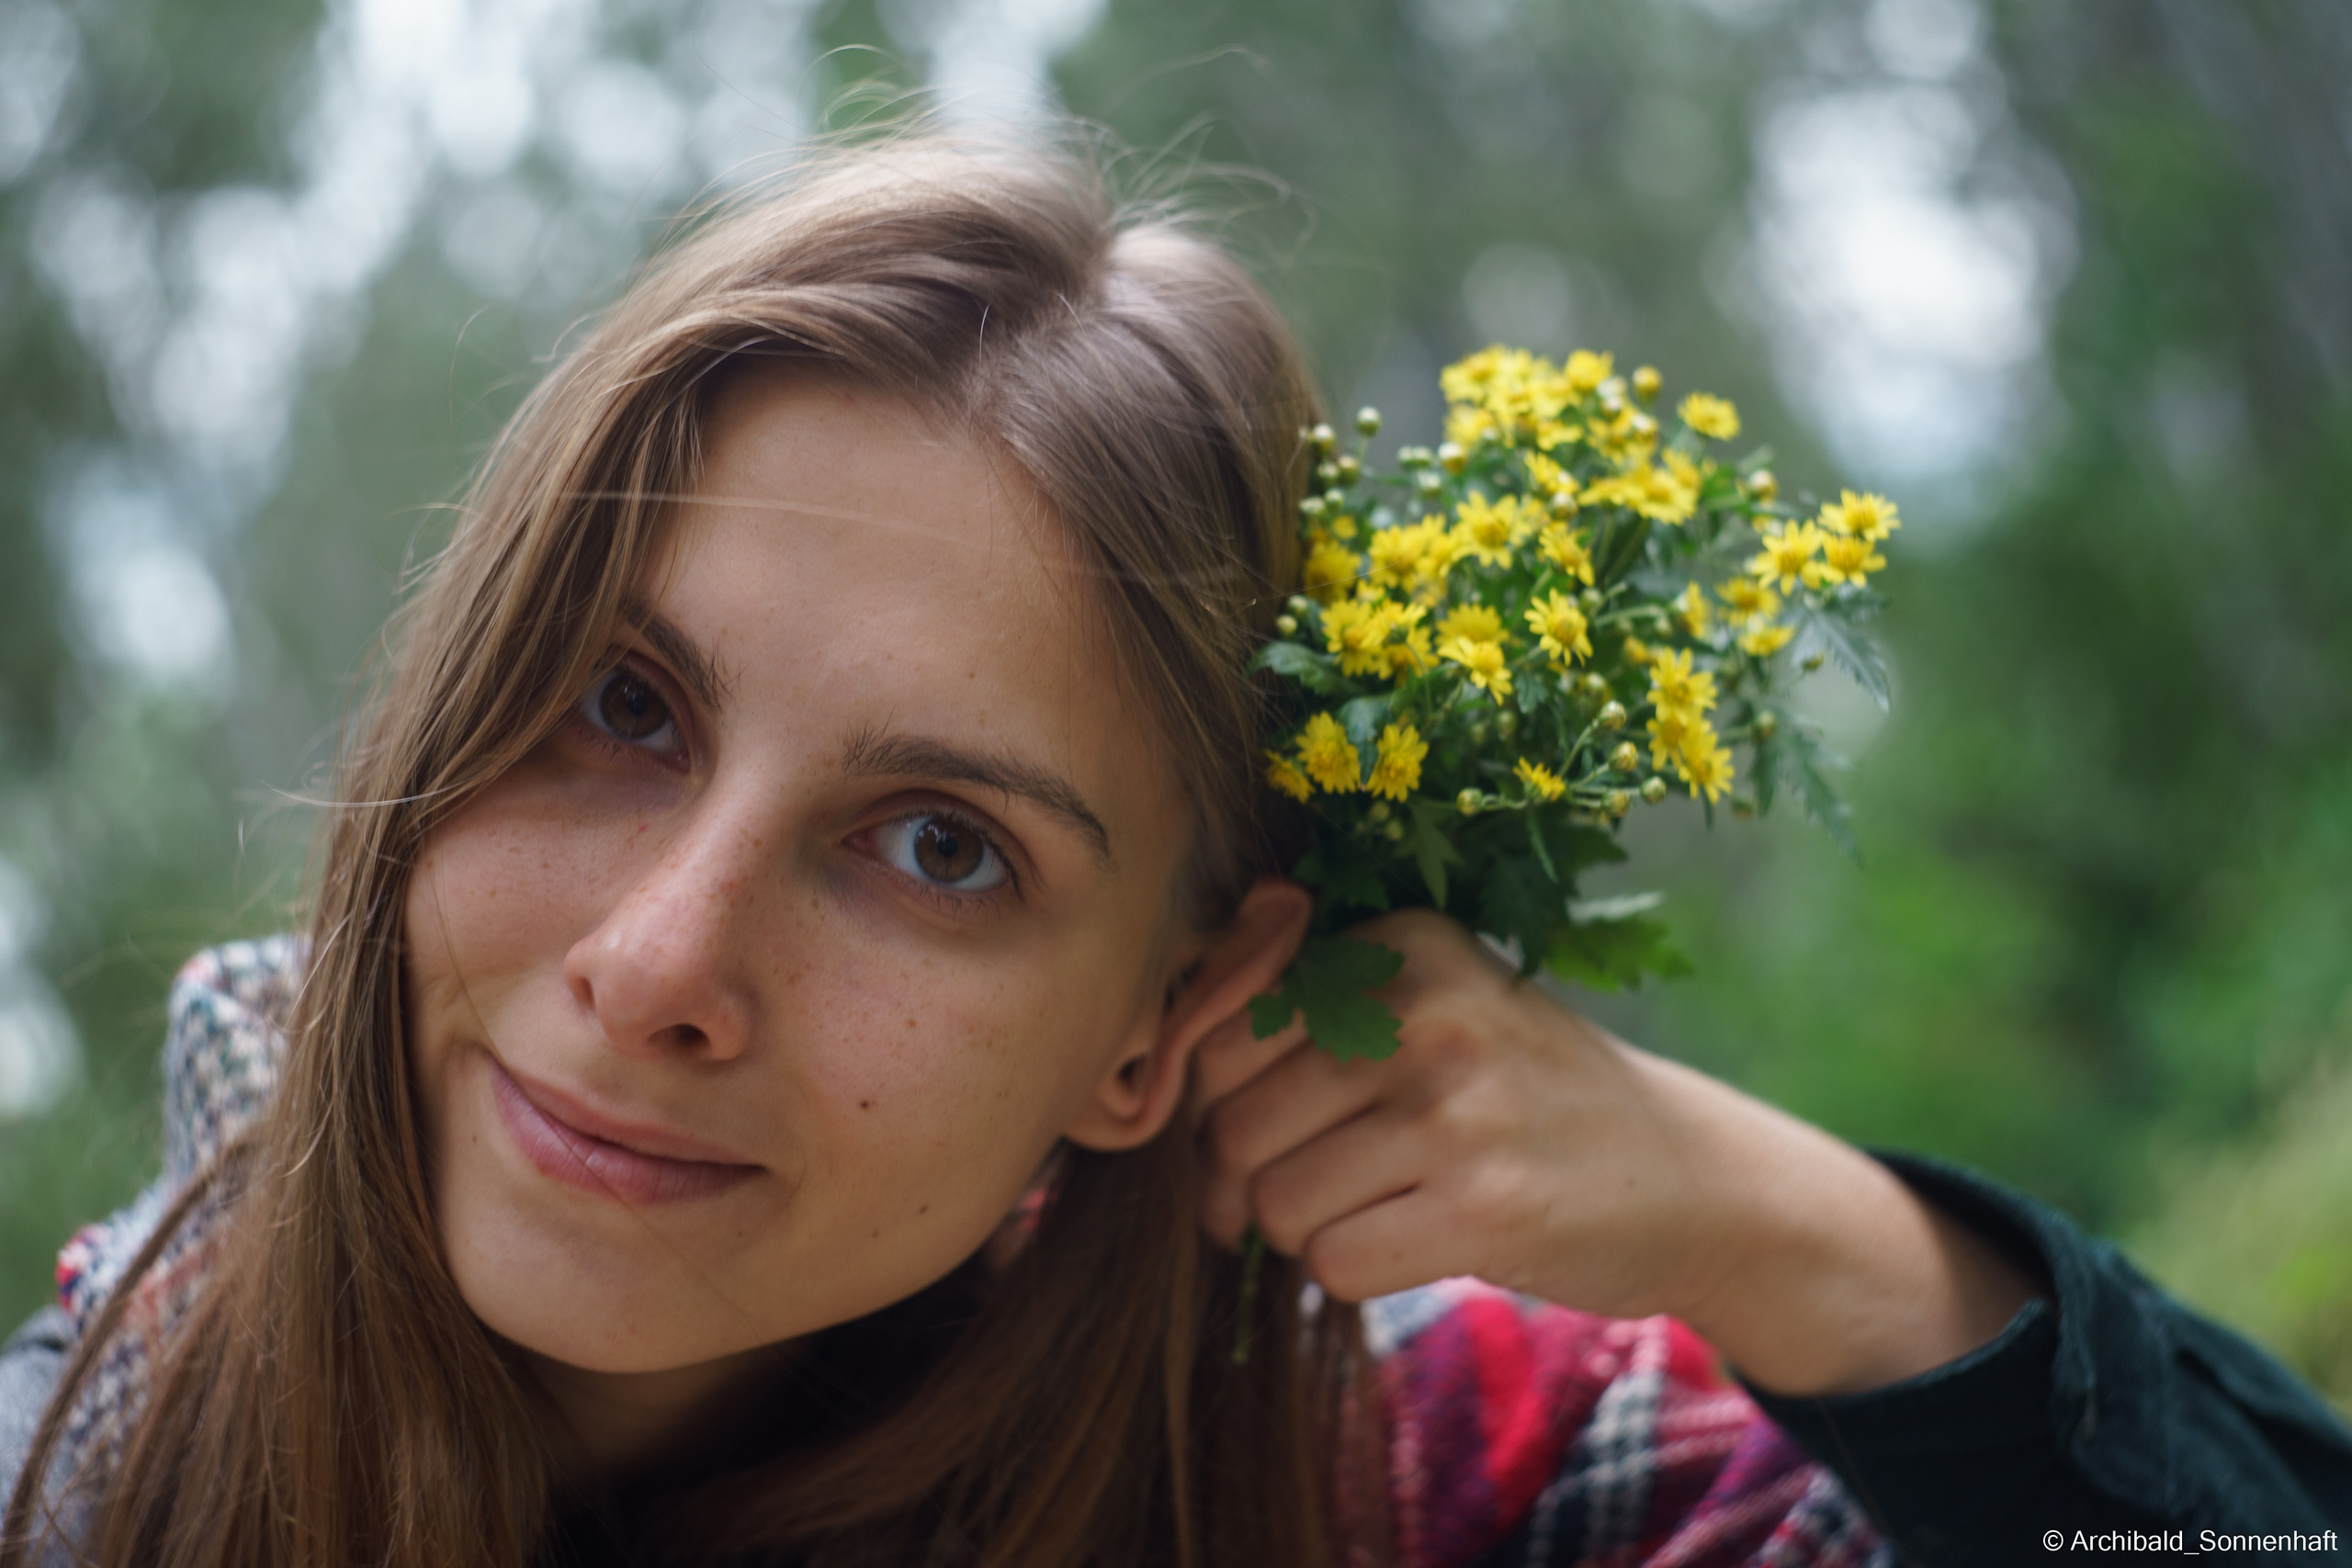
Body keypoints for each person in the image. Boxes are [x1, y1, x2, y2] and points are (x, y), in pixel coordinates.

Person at [1, 136, 2346, 1568]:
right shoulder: (95, 1447)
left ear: (1160, 1020)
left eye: (935, 841)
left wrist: (1801, 1235)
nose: (658, 957)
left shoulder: (1396, 1475)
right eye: (621, 706)